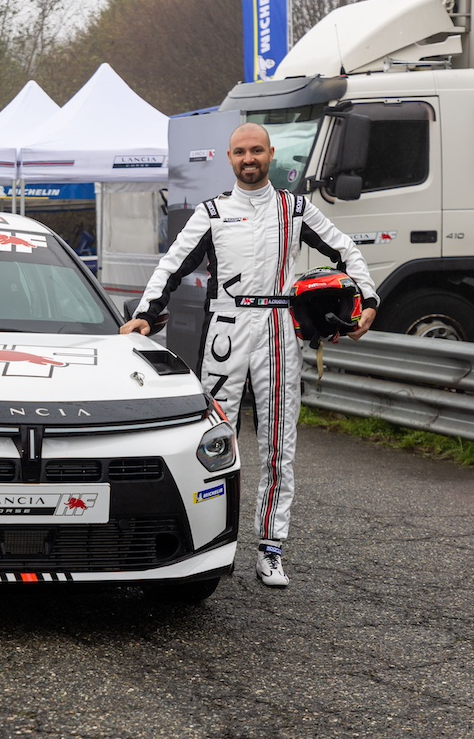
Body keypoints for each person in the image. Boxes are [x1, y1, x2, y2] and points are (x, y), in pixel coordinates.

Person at [120, 123, 378, 588]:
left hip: (280, 329)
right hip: (226, 330)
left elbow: (346, 250)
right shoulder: (213, 212)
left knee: (280, 445)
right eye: (240, 151)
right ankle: (211, 545)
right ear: (229, 157)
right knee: (212, 441)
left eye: (256, 150)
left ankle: (271, 549)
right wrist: (145, 312)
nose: (249, 158)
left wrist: (369, 301)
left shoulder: (296, 208)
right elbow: (171, 264)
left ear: (270, 154)